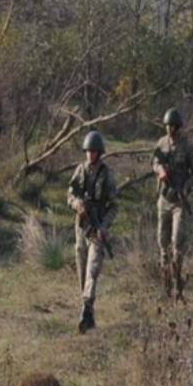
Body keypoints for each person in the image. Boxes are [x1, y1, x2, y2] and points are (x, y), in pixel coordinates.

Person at [67, 131, 118, 333]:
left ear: (99, 152)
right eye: (87, 151)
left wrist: (104, 225)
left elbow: (114, 206)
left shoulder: (107, 175)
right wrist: (76, 204)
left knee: (92, 270)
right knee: (82, 272)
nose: (90, 155)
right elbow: (69, 194)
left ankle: (86, 308)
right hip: (81, 227)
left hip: (97, 230)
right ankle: (88, 312)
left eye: (93, 151)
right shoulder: (80, 171)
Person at [152, 108, 193, 298]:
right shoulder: (161, 144)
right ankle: (165, 285)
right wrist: (159, 171)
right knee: (163, 243)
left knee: (177, 243)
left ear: (178, 127)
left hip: (179, 201)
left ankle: (177, 283)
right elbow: (154, 162)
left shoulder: (187, 146)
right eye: (167, 125)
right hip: (164, 199)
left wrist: (186, 188)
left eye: (173, 126)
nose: (170, 129)